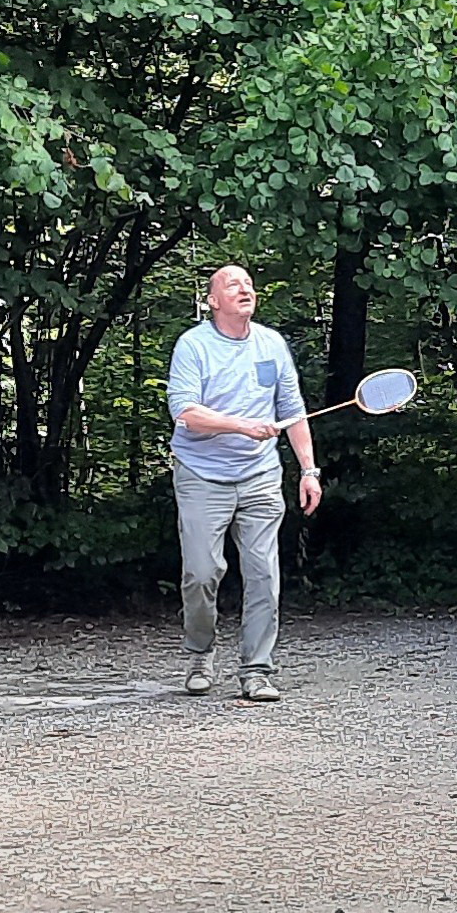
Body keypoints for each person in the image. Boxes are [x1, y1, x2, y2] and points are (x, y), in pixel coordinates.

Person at [165, 264, 321, 702]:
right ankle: (200, 654)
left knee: (264, 575)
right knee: (200, 573)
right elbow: (185, 413)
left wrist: (309, 471)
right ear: (213, 301)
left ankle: (257, 670)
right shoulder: (193, 345)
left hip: (260, 477)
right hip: (201, 474)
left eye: (249, 284)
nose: (244, 289)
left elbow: (294, 411)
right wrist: (242, 426)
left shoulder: (272, 344)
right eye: (232, 284)